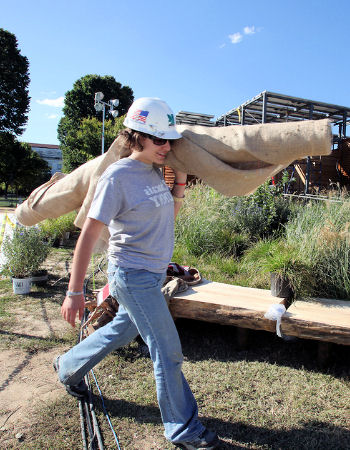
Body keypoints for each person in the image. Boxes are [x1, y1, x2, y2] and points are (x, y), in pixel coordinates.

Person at [54, 97, 219, 450]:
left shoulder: (155, 172)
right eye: (159, 139)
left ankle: (67, 367)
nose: (167, 146)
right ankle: (183, 429)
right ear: (136, 136)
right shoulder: (118, 176)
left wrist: (179, 186)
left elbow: (165, 220)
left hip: (151, 273)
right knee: (167, 349)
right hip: (133, 274)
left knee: (120, 329)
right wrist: (74, 292)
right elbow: (89, 233)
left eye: (169, 140)